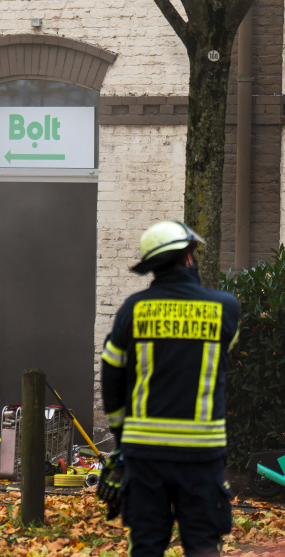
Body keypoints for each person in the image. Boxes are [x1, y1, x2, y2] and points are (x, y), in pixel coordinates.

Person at [99, 221, 241, 557]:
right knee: (204, 544)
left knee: (146, 545)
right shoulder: (225, 308)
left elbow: (111, 380)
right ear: (189, 258)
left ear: (152, 267)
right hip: (201, 456)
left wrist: (121, 442)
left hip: (144, 455)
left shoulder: (132, 311)